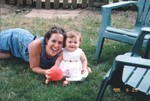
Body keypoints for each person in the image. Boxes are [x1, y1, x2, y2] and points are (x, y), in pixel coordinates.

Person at [0, 26, 66, 77]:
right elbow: (34, 67)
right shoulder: (36, 45)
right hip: (13, 38)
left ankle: (12, 53)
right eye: (53, 41)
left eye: (60, 43)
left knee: (9, 55)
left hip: (17, 52)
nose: (56, 45)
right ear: (47, 40)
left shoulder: (62, 53)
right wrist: (46, 71)